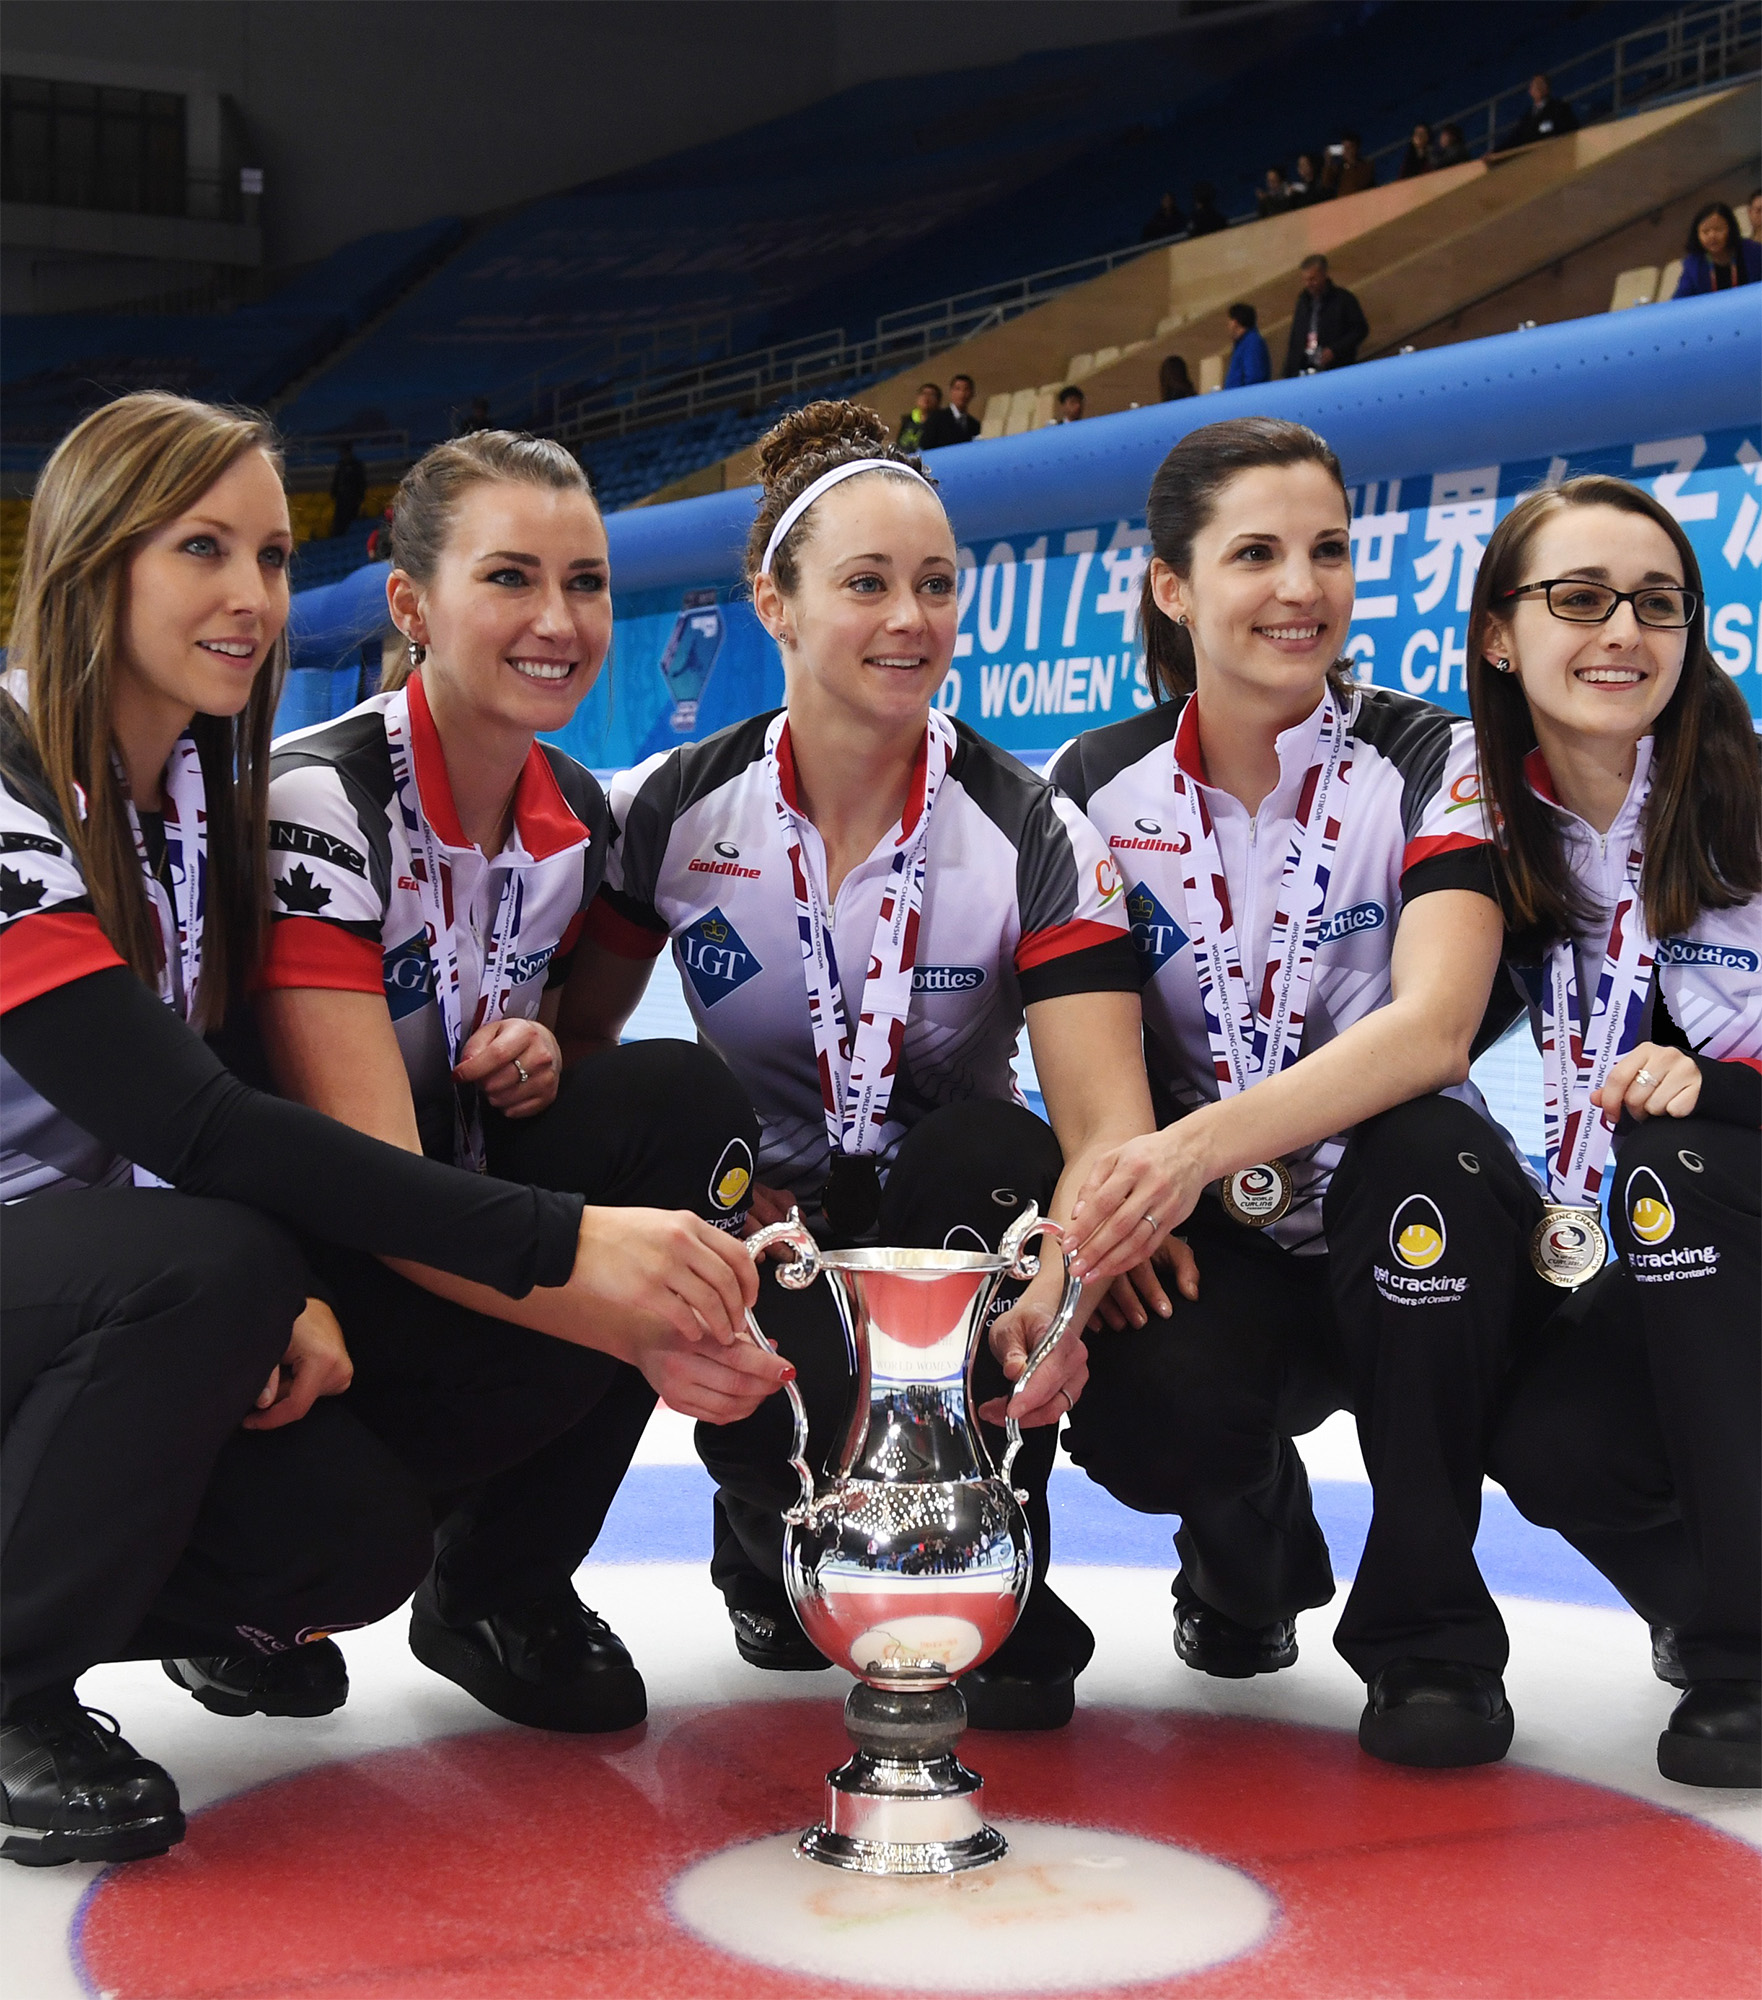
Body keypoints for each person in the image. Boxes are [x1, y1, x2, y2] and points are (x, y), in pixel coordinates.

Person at [0, 393, 772, 1868]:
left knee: (347, 1544)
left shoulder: (183, 786)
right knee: (210, 1259)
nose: (249, 598)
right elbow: (197, 1119)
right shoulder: (94, 780)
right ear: (97, 560)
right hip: (105, 1270)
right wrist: (578, 1260)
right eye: (201, 549)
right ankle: (15, 1681)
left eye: (276, 557)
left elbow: (196, 1097)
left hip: (118, 1270)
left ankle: (483, 1590)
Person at [572, 400, 1158, 1729]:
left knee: (996, 1161)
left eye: (936, 584)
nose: (912, 618)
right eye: (867, 584)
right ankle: (764, 1525)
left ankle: (991, 1552)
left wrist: (1060, 1297)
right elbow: (584, 1063)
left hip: (948, 1232)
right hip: (769, 1232)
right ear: (773, 604)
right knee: (677, 1113)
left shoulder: (1030, 829)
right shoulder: (672, 809)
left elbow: (1105, 1123)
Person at [254, 430, 784, 1738]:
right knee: (629, 1267)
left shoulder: (579, 815)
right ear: (409, 604)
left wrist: (547, 1053)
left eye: (587, 582)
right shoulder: (315, 803)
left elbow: (556, 1057)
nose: (558, 621)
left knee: (678, 1114)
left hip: (455, 1235)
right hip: (297, 1288)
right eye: (510, 579)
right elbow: (380, 1185)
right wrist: (633, 1304)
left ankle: (500, 1589)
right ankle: (234, 1588)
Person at [1049, 416, 1518, 1769]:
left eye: (1325, 551)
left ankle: (1429, 1634)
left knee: (1426, 1154)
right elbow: (1090, 1060)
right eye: (1253, 553)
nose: (1299, 587)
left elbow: (1431, 1030)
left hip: (1394, 1205)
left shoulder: (1435, 758)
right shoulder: (1092, 785)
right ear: (1172, 587)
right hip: (1226, 1237)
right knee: (1147, 1420)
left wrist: (1184, 1155)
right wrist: (1123, 1204)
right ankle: (1245, 1537)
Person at [1463, 478, 1760, 1788]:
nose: (1620, 633)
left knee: (1675, 1168)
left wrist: (1725, 1093)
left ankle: (1741, 1665)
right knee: (1539, 1425)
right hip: (1624, 1234)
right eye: (1578, 599)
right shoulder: (1480, 834)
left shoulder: (1747, 804)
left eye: (1655, 604)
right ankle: (1714, 1614)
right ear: (1496, 635)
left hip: (1729, 1197)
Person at [1282, 255, 1369, 376]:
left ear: (1324, 275)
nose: (1309, 284)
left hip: (1336, 368)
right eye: (1306, 280)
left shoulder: (1343, 299)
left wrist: (1335, 350)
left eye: (1313, 279)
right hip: (1306, 368)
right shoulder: (1303, 302)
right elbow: (1295, 338)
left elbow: (1359, 330)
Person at [1671, 201, 1761, 296]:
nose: (1712, 236)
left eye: (1719, 229)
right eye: (1705, 231)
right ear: (1697, 235)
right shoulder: (1693, 264)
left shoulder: (1753, 251)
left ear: (1730, 229)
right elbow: (1680, 300)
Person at [1505, 73, 1578, 149]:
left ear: (1547, 88)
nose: (1538, 88)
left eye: (1541, 85)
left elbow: (1570, 129)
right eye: (1535, 85)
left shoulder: (1559, 108)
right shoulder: (1527, 117)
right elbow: (1516, 137)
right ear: (1530, 91)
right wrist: (1495, 152)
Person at [1223, 303, 1272, 390]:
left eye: (1229, 321)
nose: (1228, 326)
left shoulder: (1252, 343)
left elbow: (1254, 376)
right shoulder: (1243, 343)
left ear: (1235, 323)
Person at [925, 373, 981, 447]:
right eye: (958, 389)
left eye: (966, 389)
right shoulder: (937, 418)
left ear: (972, 393)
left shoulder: (974, 425)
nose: (962, 393)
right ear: (951, 392)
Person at [329, 441, 366, 539]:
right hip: (341, 498)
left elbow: (361, 482)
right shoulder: (340, 465)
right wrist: (334, 492)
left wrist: (360, 496)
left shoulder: (357, 465)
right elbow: (336, 480)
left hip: (353, 499)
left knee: (351, 520)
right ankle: (337, 537)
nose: (343, 455)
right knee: (339, 520)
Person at [1322, 133, 1374, 198]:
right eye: (1344, 148)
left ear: (1356, 148)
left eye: (1349, 148)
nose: (1346, 151)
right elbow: (1326, 183)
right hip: (1343, 204)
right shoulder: (1339, 168)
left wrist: (1351, 162)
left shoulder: (1366, 165)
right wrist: (1328, 162)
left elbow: (1360, 184)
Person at [897, 383, 942, 452]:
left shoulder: (940, 423)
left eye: (931, 395)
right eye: (923, 393)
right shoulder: (907, 420)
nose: (926, 398)